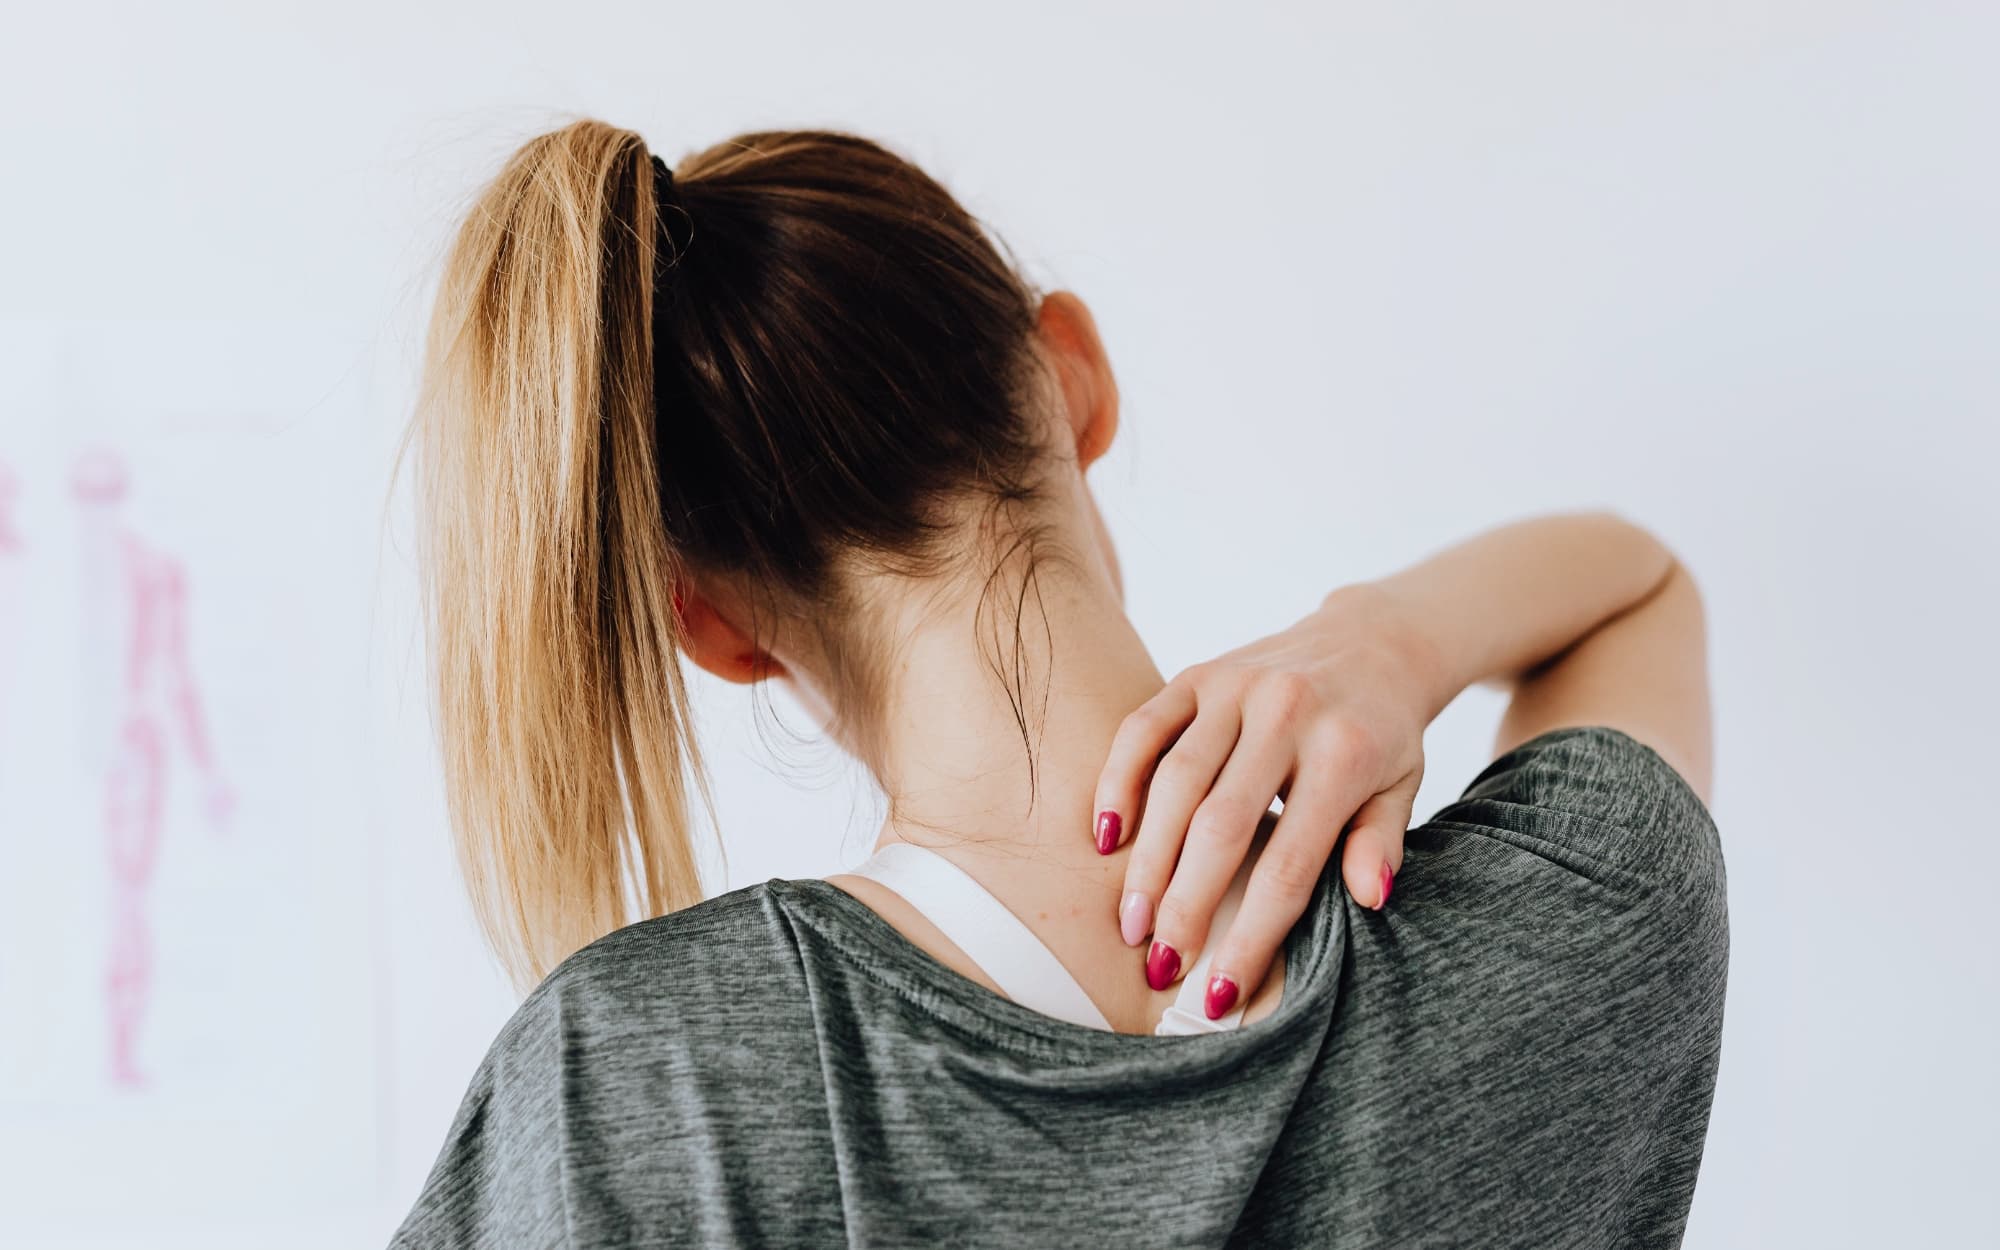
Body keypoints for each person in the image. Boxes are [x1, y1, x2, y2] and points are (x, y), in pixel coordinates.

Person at [389, 117, 1726, 1247]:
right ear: (1074, 373)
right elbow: (1639, 582)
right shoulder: (1565, 928)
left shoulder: (644, 1081)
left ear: (711, 624)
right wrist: (1390, 639)